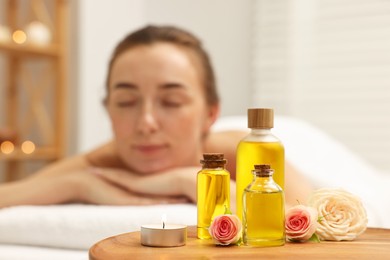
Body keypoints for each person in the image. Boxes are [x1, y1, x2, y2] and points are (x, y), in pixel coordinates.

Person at [0, 25, 312, 210]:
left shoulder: (247, 153)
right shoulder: (103, 163)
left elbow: (310, 219)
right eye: (126, 101)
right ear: (108, 110)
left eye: (172, 101)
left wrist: (189, 181)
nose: (145, 123)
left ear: (211, 114)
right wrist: (78, 185)